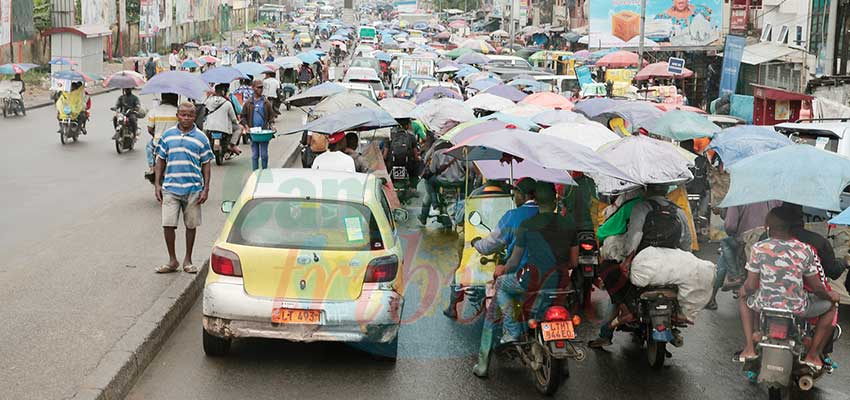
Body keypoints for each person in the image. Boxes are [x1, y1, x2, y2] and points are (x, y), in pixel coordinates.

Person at [473, 181, 578, 377]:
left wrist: (501, 269)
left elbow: (512, 262)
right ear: (555, 199)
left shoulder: (523, 223)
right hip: (561, 282)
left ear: (534, 198)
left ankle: (499, 345)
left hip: (529, 280)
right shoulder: (569, 223)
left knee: (499, 292)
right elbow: (574, 261)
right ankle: (561, 365)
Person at [588, 184, 692, 347]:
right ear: (666, 190)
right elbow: (686, 242)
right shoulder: (678, 210)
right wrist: (683, 260)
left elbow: (635, 236)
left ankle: (608, 331)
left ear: (647, 189)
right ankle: (676, 318)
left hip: (643, 261)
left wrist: (627, 260)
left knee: (609, 272)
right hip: (671, 262)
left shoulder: (641, 207)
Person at [736, 209, 839, 370]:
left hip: (764, 304)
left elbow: (750, 286)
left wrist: (743, 291)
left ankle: (749, 347)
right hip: (797, 307)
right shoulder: (804, 250)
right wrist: (830, 296)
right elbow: (817, 287)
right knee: (831, 307)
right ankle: (813, 355)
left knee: (742, 298)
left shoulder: (759, 248)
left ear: (767, 226)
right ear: (791, 228)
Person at [444, 178, 539, 319]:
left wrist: (477, 244)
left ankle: (454, 306)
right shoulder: (540, 212)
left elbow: (490, 245)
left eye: (517, 192)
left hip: (501, 252)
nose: (515, 195)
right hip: (543, 272)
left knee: (463, 266)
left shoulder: (478, 195)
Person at [153, 102, 213, 274]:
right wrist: (157, 184)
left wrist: (206, 188)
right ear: (177, 115)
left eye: (190, 115)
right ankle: (172, 260)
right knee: (168, 224)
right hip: (170, 187)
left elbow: (206, 164)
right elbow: (160, 160)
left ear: (195, 117)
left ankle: (188, 259)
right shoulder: (168, 136)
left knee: (191, 225)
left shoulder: (201, 138)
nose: (186, 118)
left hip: (193, 188)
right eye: (183, 115)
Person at [418, 141, 466, 225]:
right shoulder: (460, 151)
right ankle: (463, 204)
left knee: (428, 182)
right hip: (459, 182)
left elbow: (432, 169)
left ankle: (435, 204)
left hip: (443, 182)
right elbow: (469, 167)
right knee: (466, 186)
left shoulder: (436, 151)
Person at [240, 79, 275, 171]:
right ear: (253, 88)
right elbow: (242, 117)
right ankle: (255, 172)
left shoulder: (266, 103)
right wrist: (247, 127)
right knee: (255, 155)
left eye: (262, 87)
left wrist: (272, 126)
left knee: (264, 154)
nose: (261, 89)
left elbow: (271, 117)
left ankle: (264, 171)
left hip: (263, 132)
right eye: (258, 87)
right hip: (253, 133)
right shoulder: (248, 103)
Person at [145, 93, 180, 180]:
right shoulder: (178, 112)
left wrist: (156, 135)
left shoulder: (154, 111)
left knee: (148, 147)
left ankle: (152, 167)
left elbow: (150, 129)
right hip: (175, 143)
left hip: (158, 143)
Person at [204, 83, 242, 157]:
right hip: (223, 128)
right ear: (223, 92)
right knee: (238, 128)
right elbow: (233, 118)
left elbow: (205, 113)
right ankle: (232, 145)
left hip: (209, 127)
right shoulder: (227, 103)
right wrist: (236, 122)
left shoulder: (208, 101)